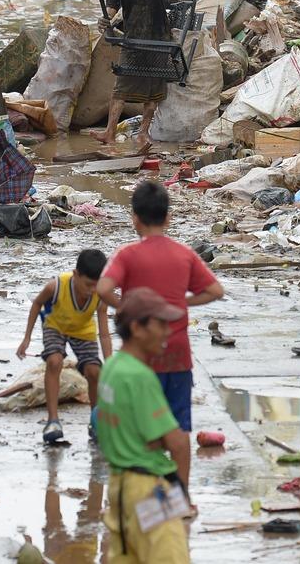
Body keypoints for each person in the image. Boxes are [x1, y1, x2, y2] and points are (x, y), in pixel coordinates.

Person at [95, 180, 224, 434]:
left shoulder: (127, 254)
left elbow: (102, 288)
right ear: (168, 218)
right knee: (177, 429)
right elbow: (215, 291)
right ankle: (176, 474)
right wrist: (183, 301)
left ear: (135, 218)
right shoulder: (184, 254)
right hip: (177, 353)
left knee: (140, 428)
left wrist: (125, 308)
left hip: (140, 355)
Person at [98, 288, 193, 563]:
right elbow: (176, 443)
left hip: (119, 488)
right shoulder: (140, 376)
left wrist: (153, 439)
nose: (167, 331)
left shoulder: (112, 367)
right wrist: (182, 495)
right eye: (160, 324)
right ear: (137, 328)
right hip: (148, 490)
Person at [90, 0, 174, 148]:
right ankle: (109, 131)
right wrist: (105, 19)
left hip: (157, 30)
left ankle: (143, 134)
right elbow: (113, 4)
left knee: (153, 88)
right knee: (122, 86)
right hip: (133, 31)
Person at [17, 248, 110, 445]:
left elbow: (103, 331)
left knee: (95, 371)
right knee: (54, 361)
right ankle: (53, 421)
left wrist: (110, 361)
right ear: (76, 275)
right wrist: (26, 339)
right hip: (55, 325)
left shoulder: (101, 295)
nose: (92, 290)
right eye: (88, 285)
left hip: (83, 330)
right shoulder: (56, 286)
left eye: (97, 285)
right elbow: (36, 305)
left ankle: (96, 422)